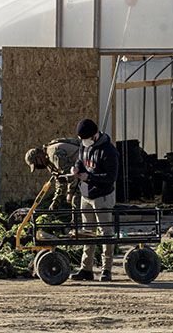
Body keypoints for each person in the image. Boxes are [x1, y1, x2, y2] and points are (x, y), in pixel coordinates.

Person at [70, 118, 118, 282]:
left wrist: (89, 177)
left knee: (106, 233)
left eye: (87, 138)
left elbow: (111, 177)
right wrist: (76, 168)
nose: (85, 142)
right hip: (86, 195)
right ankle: (86, 269)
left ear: (95, 135)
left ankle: (107, 270)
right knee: (87, 233)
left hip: (102, 196)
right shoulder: (84, 145)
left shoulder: (109, 151)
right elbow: (80, 160)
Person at [24, 138, 81, 210]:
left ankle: (78, 221)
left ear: (38, 156)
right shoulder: (49, 162)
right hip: (79, 171)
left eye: (37, 164)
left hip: (87, 168)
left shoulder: (54, 155)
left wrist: (70, 193)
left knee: (76, 198)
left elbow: (71, 175)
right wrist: (56, 202)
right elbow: (61, 182)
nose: (39, 167)